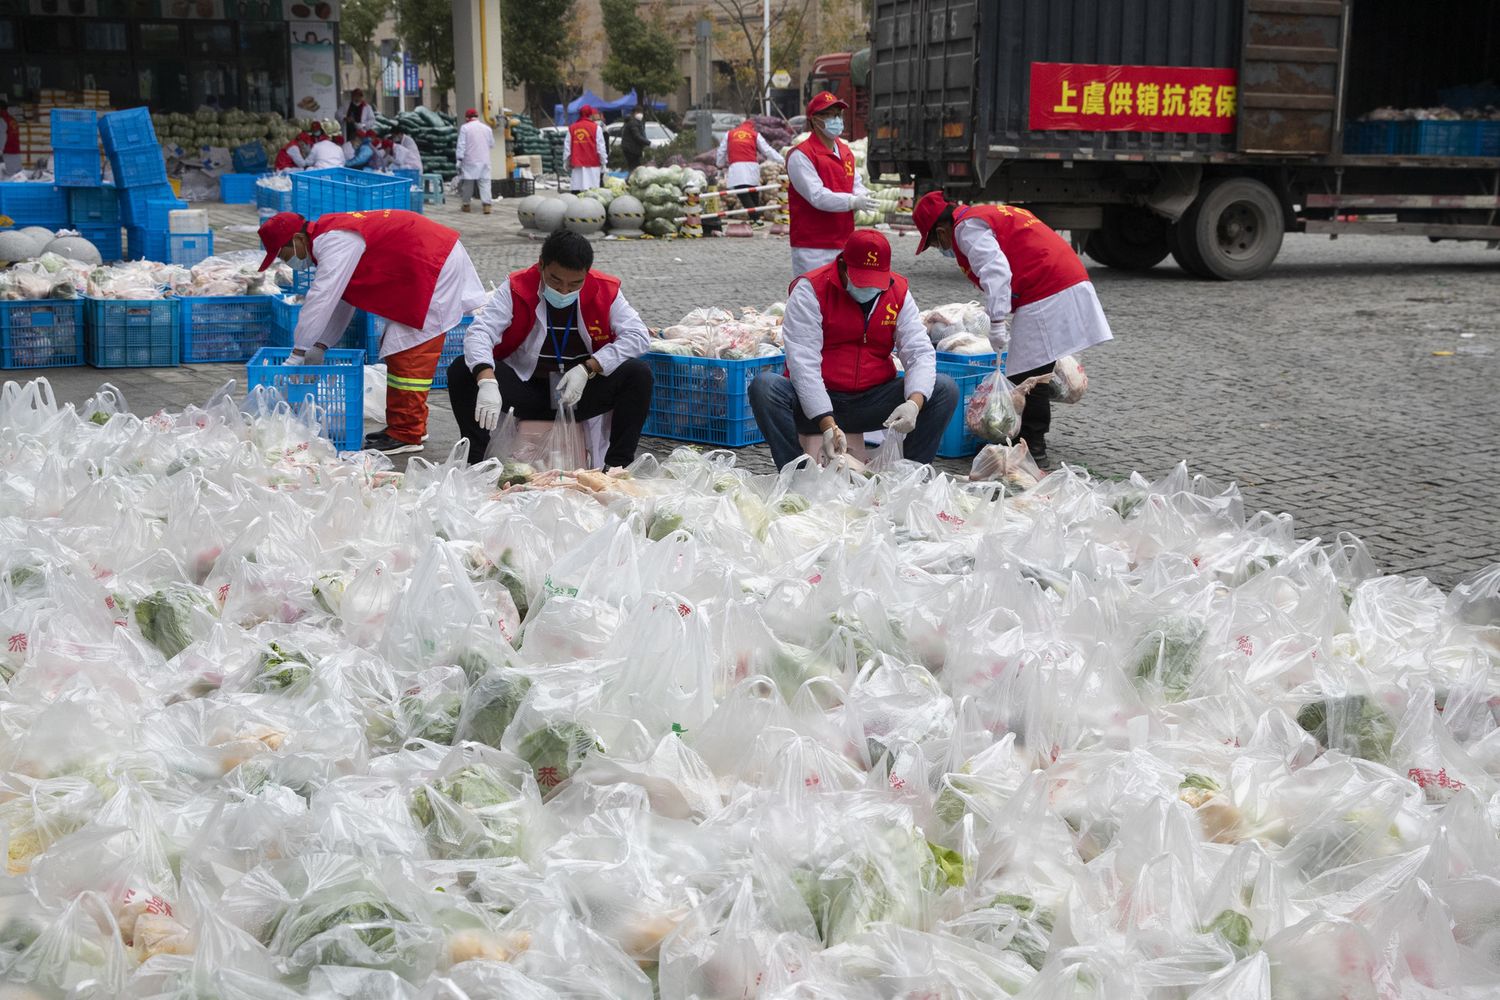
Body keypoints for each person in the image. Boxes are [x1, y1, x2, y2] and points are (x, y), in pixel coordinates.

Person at [256, 209, 487, 456]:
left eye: (283, 255)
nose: (287, 262)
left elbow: (322, 298)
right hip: (423, 261)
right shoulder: (330, 237)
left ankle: (407, 432)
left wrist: (298, 352)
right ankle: (407, 425)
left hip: (432, 262)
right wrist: (321, 344)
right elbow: (343, 299)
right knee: (399, 347)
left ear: (298, 239)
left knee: (408, 350)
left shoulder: (334, 241)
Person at [911, 191, 1114, 462]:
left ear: (941, 231)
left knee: (1028, 373)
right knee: (1035, 368)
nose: (941, 248)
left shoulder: (967, 229)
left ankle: (1032, 447)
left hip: (1047, 288)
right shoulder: (981, 216)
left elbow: (997, 272)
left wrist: (996, 321)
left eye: (936, 243)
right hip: (1059, 280)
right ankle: (1025, 443)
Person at [749, 229, 958, 470]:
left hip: (872, 400)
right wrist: (827, 424)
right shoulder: (811, 290)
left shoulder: (898, 292)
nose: (868, 287)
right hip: (816, 402)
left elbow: (919, 352)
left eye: (875, 282)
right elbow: (803, 364)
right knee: (765, 388)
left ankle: (910, 474)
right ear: (843, 266)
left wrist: (914, 403)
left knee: (944, 389)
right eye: (861, 280)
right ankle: (796, 473)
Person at [449, 230, 654, 469]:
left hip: (577, 392)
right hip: (527, 389)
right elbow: (480, 332)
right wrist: (487, 381)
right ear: (541, 265)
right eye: (556, 281)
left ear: (587, 274)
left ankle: (617, 467)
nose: (564, 291)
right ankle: (476, 463)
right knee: (462, 369)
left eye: (575, 284)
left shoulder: (605, 290)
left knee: (638, 373)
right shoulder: (517, 287)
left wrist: (588, 368)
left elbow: (638, 336)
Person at [785, 92, 879, 276]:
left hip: (844, 240)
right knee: (814, 292)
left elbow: (855, 183)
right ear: (815, 120)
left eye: (838, 115)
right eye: (829, 115)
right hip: (812, 245)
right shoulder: (801, 155)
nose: (836, 120)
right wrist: (852, 201)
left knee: (841, 292)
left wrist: (863, 195)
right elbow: (817, 196)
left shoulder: (845, 152)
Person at [716, 117, 784, 224]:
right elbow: (767, 150)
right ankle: (755, 219)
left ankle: (756, 219)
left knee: (743, 193)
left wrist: (719, 164)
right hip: (752, 167)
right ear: (752, 127)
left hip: (737, 166)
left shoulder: (729, 134)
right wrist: (782, 160)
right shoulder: (754, 134)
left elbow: (721, 151)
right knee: (753, 192)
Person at [455, 108, 494, 214]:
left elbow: (461, 144)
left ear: (467, 118)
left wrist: (459, 159)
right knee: (485, 183)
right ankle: (487, 205)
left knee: (468, 183)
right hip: (484, 160)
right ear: (477, 116)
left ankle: (466, 205)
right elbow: (491, 144)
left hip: (469, 160)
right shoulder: (487, 128)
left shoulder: (465, 128)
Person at [562, 105, 606, 193]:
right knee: (592, 192)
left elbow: (567, 147)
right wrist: (604, 162)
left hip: (577, 164)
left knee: (577, 190)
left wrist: (566, 161)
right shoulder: (597, 128)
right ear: (590, 114)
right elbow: (600, 148)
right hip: (593, 164)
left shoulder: (572, 128)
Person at [621, 106, 649, 172]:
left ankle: (631, 177)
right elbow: (637, 136)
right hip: (631, 149)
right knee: (634, 167)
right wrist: (649, 143)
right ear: (634, 113)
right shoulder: (633, 123)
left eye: (641, 112)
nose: (640, 114)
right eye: (638, 112)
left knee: (634, 167)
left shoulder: (636, 122)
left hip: (633, 149)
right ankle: (631, 177)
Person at [0, 99, 21, 178]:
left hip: (7, 152)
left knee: (9, 177)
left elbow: (2, 136)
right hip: (16, 151)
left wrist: (0, 150)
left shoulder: (2, 120)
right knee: (17, 176)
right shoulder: (12, 119)